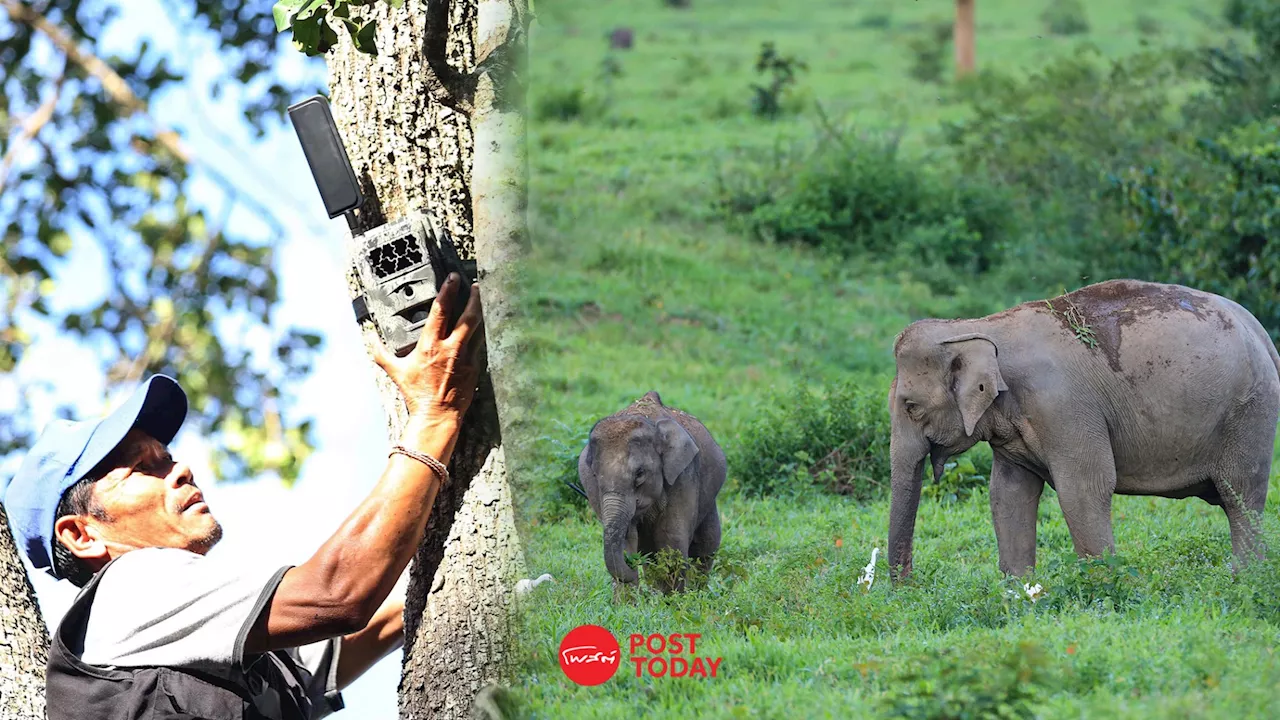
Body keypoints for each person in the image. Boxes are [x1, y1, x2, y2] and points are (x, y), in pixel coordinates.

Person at [1, 273, 483, 720]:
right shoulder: (128, 590)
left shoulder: (203, 634)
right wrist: (434, 416)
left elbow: (358, 627)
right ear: (81, 535)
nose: (180, 468)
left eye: (167, 457)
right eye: (144, 467)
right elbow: (337, 595)